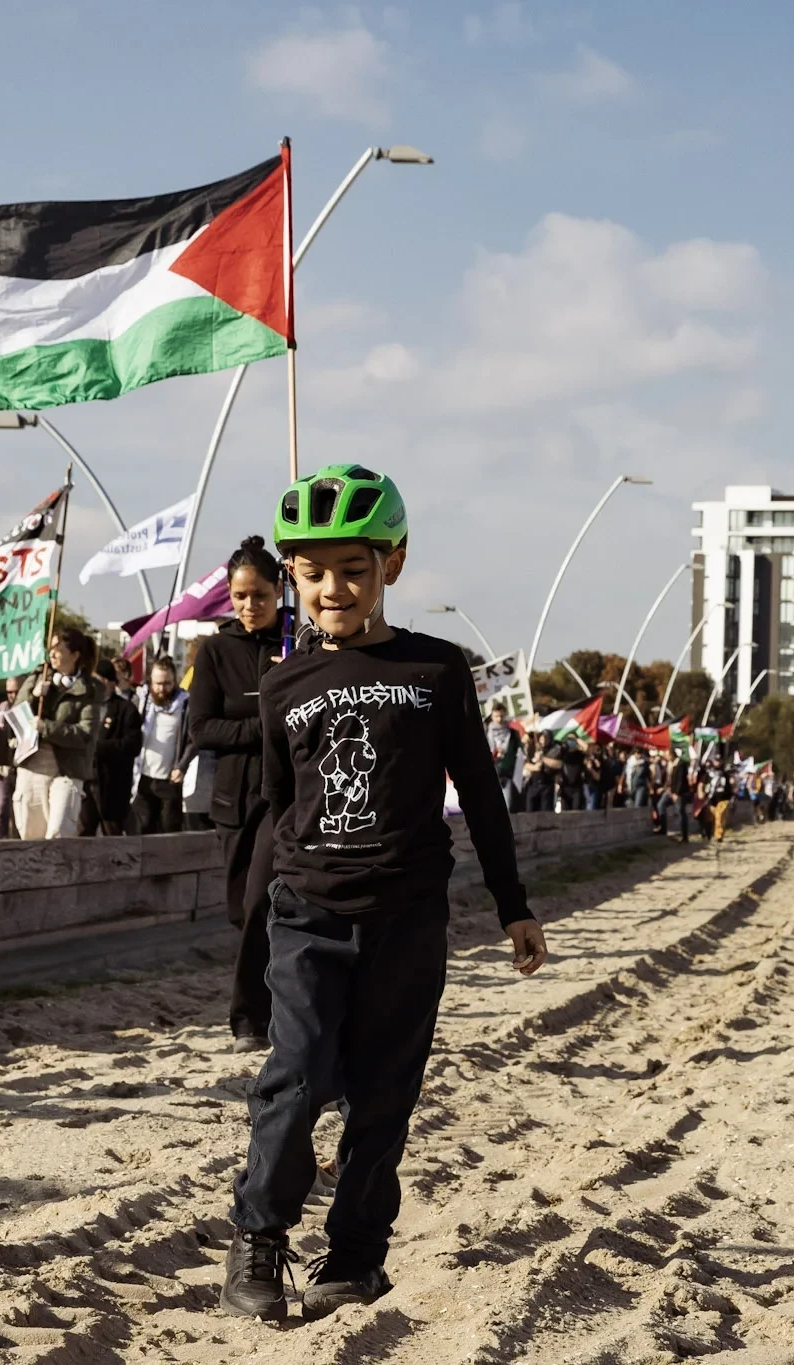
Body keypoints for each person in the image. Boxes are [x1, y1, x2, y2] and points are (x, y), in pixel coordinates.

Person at [222, 464, 546, 1323]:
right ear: (294, 574)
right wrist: (250, 948)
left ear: (391, 566)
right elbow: (274, 818)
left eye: (354, 570)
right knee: (294, 1077)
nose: (333, 588)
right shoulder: (283, 685)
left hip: (407, 917)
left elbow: (479, 790)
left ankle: (356, 1254)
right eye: (314, 571)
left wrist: (514, 904)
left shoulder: (438, 669)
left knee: (382, 1093)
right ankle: (258, 1239)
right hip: (308, 914)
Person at [187, 536, 287, 1050]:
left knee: (258, 904)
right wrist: (260, 728)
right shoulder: (215, 651)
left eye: (261, 596)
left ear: (279, 590)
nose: (250, 607)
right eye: (241, 596)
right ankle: (267, 996)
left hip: (282, 800)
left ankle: (249, 1017)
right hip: (232, 801)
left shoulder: (300, 644)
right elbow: (202, 728)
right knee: (241, 912)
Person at [12, 627, 103, 840]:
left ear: (75, 655)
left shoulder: (90, 690)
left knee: (58, 833)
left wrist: (47, 728)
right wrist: (33, 696)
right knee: (29, 833)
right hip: (33, 764)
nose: (51, 654)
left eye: (58, 649)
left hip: (67, 769)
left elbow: (85, 733)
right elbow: (16, 713)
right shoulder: (38, 676)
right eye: (50, 649)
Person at [131, 656, 187, 835]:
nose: (161, 689)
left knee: (168, 831)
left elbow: (192, 739)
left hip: (169, 780)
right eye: (157, 683)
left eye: (167, 683)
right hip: (143, 777)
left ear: (175, 681)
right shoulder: (144, 700)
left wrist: (181, 766)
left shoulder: (184, 703)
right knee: (142, 828)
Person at [90, 657, 142, 836]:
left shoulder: (126, 710)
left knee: (111, 837)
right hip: (88, 783)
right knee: (81, 835)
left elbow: (132, 745)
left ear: (109, 683)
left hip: (112, 786)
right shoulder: (87, 706)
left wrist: (99, 747)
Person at [0, 674, 22, 839]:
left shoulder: (27, 709)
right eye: (9, 692)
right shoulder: (2, 709)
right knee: (1, 809)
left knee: (19, 814)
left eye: (16, 691)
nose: (13, 695)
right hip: (0, 770)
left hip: (20, 768)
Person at [484, 700, 522, 811]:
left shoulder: (513, 734)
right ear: (492, 716)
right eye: (496, 716)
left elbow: (519, 753)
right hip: (490, 774)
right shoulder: (486, 733)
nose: (499, 719)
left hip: (507, 774)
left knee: (507, 806)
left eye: (501, 716)